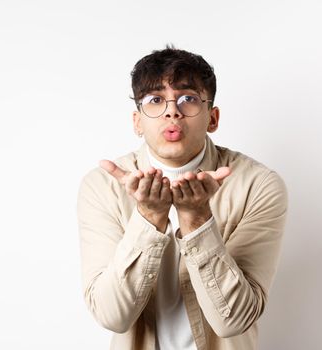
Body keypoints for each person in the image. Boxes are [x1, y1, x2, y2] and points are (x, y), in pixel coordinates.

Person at [77, 46, 288, 350]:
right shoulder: (102, 186)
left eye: (188, 98)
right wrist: (149, 218)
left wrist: (197, 219)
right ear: (137, 122)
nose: (172, 111)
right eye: (155, 100)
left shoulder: (258, 184)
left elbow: (235, 320)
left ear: (212, 118)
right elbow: (112, 316)